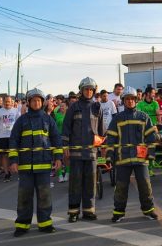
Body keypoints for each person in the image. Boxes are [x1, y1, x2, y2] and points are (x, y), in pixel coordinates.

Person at [10, 88, 63, 236]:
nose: (36, 102)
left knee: (44, 196)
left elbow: (56, 139)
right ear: (28, 102)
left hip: (44, 165)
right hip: (25, 166)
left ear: (42, 102)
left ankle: (45, 223)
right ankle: (22, 225)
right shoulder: (22, 120)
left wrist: (58, 158)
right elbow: (14, 141)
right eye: (33, 100)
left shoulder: (48, 119)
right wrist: (13, 160)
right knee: (24, 196)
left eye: (39, 100)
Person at [105, 87, 159, 222]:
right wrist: (109, 156)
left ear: (136, 100)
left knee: (145, 185)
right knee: (121, 187)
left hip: (140, 159)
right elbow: (111, 138)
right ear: (123, 101)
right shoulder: (117, 118)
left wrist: (151, 154)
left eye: (132, 99)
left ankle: (148, 210)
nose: (130, 101)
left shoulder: (143, 117)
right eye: (127, 99)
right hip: (123, 159)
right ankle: (118, 212)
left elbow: (151, 137)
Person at [61, 77, 104, 222]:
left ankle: (89, 210)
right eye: (86, 89)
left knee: (91, 183)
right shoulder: (74, 107)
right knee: (75, 183)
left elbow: (101, 130)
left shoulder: (97, 107)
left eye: (91, 89)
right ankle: (73, 212)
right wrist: (65, 146)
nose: (89, 91)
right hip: (76, 153)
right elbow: (66, 128)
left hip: (91, 153)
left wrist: (102, 147)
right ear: (81, 90)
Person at [0, 96, 20, 182]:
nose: (7, 103)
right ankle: (7, 173)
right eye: (6, 101)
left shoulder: (16, 111)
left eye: (8, 101)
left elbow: (18, 124)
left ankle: (15, 169)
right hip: (3, 136)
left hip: (13, 136)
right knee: (4, 155)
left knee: (14, 153)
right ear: (3, 102)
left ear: (11, 102)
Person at [53, 99, 69, 183]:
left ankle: (67, 173)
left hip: (67, 138)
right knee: (58, 156)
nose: (61, 107)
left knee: (66, 156)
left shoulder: (69, 115)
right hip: (58, 138)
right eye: (60, 106)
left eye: (63, 106)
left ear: (67, 107)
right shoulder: (56, 115)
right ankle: (59, 175)